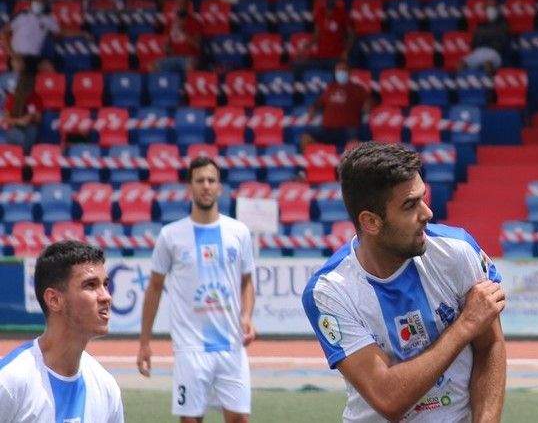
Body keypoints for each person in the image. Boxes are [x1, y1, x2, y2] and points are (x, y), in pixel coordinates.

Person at [302, 142, 506, 422]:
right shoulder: (329, 291)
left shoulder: (457, 251)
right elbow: (388, 397)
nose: (427, 213)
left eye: (423, 198)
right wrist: (465, 325)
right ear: (371, 222)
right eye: (410, 205)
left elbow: (490, 345)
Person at [137, 157, 256, 423]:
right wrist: (145, 342)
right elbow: (154, 288)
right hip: (190, 349)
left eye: (211, 180)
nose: (206, 186)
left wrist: (247, 316)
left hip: (232, 346)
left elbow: (247, 281)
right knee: (191, 420)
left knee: (239, 419)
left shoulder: (239, 232)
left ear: (220, 188)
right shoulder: (171, 235)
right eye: (199, 180)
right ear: (189, 187)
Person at [0, 240, 123, 422]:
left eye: (105, 284)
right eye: (90, 285)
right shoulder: (9, 381)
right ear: (54, 300)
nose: (106, 296)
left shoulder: (106, 388)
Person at [304, 61, 370, 150]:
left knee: (355, 145)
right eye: (339, 70)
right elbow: (319, 102)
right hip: (327, 130)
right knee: (306, 138)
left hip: (348, 130)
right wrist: (314, 107)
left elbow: (370, 101)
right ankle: (310, 163)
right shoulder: (330, 87)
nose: (341, 72)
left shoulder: (357, 88)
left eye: (344, 70)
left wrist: (368, 105)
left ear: (349, 72)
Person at [294, 0, 352, 72]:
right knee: (298, 65)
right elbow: (316, 36)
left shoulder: (342, 14)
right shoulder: (320, 13)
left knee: (340, 70)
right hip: (320, 56)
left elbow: (352, 35)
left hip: (336, 57)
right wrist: (304, 49)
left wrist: (346, 50)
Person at [3, 0, 60, 73]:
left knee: (48, 67)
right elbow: (3, 33)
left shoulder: (48, 19)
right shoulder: (21, 16)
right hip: (18, 55)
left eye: (41, 1)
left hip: (34, 57)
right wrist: (12, 53)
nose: (38, 3)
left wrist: (82, 33)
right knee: (18, 64)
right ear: (30, 2)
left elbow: (59, 33)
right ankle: (18, 84)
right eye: (36, 0)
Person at [154, 0, 203, 74]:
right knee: (152, 67)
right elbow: (165, 47)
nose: (181, 6)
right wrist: (166, 48)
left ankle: (185, 86)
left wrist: (183, 31)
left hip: (190, 58)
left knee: (191, 66)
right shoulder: (170, 23)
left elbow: (198, 46)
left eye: (183, 4)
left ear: (187, 6)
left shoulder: (195, 23)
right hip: (174, 57)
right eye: (178, 4)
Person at [1, 71, 42, 150]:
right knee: (17, 135)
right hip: (15, 127)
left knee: (32, 131)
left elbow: (39, 118)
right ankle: (21, 155)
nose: (27, 92)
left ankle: (24, 155)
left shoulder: (35, 97)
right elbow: (6, 119)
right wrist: (19, 121)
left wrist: (31, 117)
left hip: (30, 127)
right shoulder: (12, 97)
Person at [464, 5, 508, 74]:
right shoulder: (480, 25)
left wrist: (483, 34)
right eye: (488, 7)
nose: (490, 10)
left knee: (487, 65)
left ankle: (491, 83)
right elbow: (474, 42)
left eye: (492, 7)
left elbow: (502, 39)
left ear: (497, 9)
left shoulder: (503, 23)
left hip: (493, 52)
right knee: (461, 64)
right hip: (478, 51)